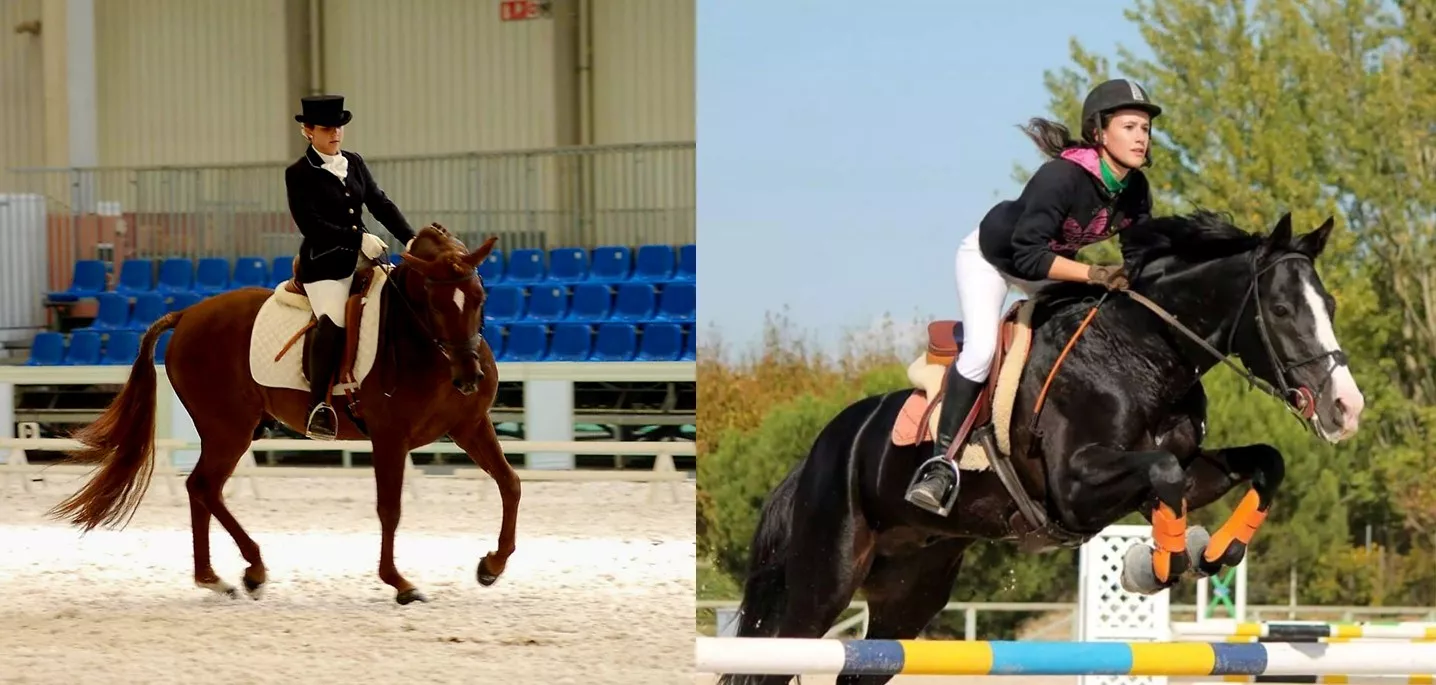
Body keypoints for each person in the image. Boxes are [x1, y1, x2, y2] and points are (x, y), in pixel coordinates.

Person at [905, 78, 1161, 515]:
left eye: (1145, 128)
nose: (1141, 136)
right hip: (993, 259)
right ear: (1099, 132)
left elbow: (1141, 254)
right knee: (983, 350)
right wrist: (1095, 273)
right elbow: (1027, 255)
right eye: (1130, 126)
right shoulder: (1061, 177)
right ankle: (940, 463)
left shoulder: (1133, 190)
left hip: (1050, 265)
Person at [285, 94, 417, 441]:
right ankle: (318, 407)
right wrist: (358, 237)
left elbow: (379, 203)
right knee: (334, 321)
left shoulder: (354, 163)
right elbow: (310, 224)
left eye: (339, 127)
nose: (336, 134)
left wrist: (410, 238)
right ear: (308, 131)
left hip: (363, 257)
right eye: (328, 128)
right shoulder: (299, 173)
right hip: (324, 264)